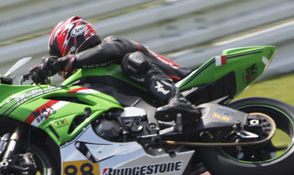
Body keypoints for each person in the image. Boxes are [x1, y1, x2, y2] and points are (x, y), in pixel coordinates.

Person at [25, 16, 201, 123]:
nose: (59, 61)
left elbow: (111, 50)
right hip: (153, 108)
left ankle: (176, 100)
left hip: (185, 82)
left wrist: (65, 62)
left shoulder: (111, 44)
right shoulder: (93, 74)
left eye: (58, 54)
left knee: (132, 60)